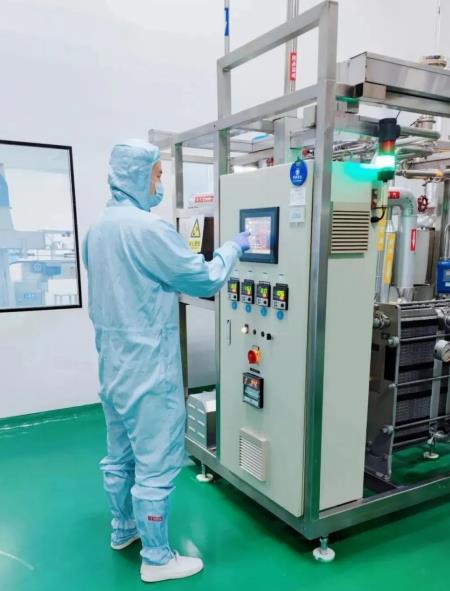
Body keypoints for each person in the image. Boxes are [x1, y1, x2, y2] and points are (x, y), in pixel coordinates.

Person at [82, 139, 250, 583]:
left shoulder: (97, 230)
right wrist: (233, 248)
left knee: (119, 456)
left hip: (113, 368)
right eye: (158, 174)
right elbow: (205, 279)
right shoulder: (148, 230)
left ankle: (123, 529)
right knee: (155, 465)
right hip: (149, 371)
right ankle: (157, 559)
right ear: (138, 174)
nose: (160, 183)